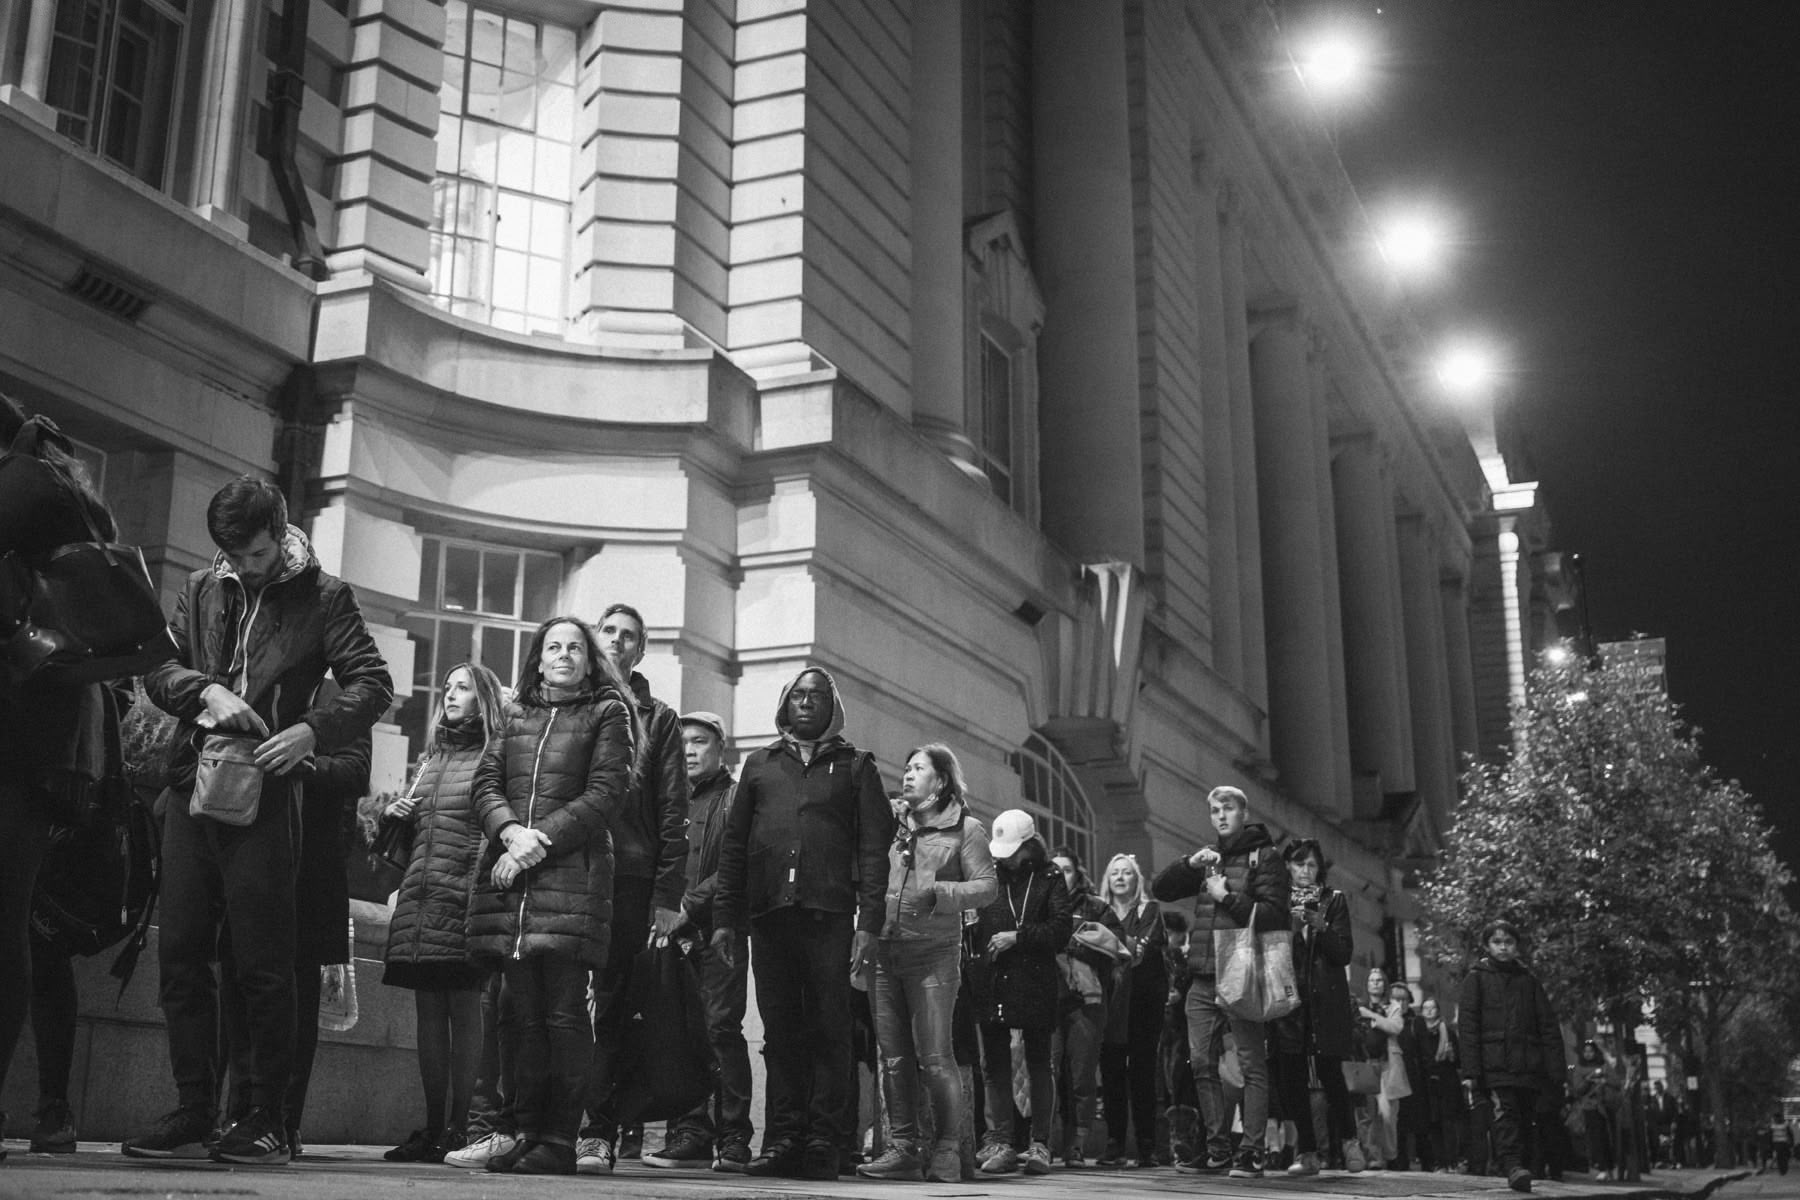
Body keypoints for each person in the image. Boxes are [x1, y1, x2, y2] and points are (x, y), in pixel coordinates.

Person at [127, 475, 393, 1165]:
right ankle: (193, 1108)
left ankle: (267, 1118)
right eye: (231, 555)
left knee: (263, 964)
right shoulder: (200, 586)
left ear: (281, 532)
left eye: (252, 554)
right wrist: (204, 688)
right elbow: (158, 669)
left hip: (269, 795)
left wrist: (310, 729)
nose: (240, 567)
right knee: (182, 951)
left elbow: (373, 684)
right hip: (194, 782)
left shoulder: (326, 597)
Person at [0, 396, 131, 1164]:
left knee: (13, 925)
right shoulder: (57, 492)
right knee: (16, 925)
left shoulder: (25, 489)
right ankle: (45, 1103)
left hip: (25, 739)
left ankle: (47, 1102)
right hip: (51, 749)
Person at [468, 616, 637, 1175]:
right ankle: (527, 1130)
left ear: (590, 660)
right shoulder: (514, 714)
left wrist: (534, 843)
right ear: (537, 658)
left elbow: (606, 794)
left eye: (574, 648)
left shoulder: (608, 712)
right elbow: (485, 784)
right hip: (514, 886)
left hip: (573, 879)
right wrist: (508, 832)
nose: (562, 655)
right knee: (521, 1016)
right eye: (552, 647)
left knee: (564, 1014)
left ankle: (560, 1138)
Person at [712, 667, 893, 1180]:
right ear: (784, 704)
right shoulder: (759, 765)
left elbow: (873, 850)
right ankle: (784, 1137)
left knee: (831, 1029)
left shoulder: (857, 767)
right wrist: (726, 917)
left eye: (817, 695)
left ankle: (823, 1141)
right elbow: (734, 847)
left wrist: (869, 924)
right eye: (798, 694)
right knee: (781, 1030)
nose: (807, 702)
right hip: (769, 915)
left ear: (831, 707)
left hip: (831, 916)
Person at [219, 726, 370, 1156]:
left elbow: (356, 771)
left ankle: (283, 1120)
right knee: (239, 983)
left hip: (310, 861)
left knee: (298, 991)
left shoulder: (341, 697)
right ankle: (239, 1111)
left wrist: (303, 761)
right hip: (250, 844)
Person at [577, 603, 689, 1174]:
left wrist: (668, 894)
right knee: (557, 1000)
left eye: (629, 637)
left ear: (640, 651)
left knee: (614, 1004)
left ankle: (598, 1128)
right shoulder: (573, 701)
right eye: (609, 633)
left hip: (631, 874)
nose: (617, 643)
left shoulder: (660, 718)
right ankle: (542, 1121)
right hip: (570, 868)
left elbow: (674, 810)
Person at [379, 663, 506, 1163]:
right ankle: (434, 1127)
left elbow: (495, 830)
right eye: (448, 687)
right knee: (428, 1014)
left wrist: (478, 896)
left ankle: (459, 1127)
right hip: (421, 898)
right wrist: (392, 817)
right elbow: (413, 839)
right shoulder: (431, 758)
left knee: (463, 1010)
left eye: (464, 688)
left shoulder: (493, 756)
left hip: (465, 900)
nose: (451, 695)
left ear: (484, 699)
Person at [857, 743, 997, 1182]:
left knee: (935, 1056)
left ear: (941, 780)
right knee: (894, 1058)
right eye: (907, 767)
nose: (908, 774)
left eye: (919, 768)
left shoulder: (966, 830)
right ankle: (902, 1146)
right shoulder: (891, 825)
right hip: (885, 951)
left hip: (934, 955)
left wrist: (939, 892)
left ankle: (948, 1149)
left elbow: (987, 887)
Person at [1151, 783, 1290, 1178]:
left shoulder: (1265, 857)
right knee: (1201, 1063)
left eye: (1227, 809)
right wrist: (1190, 864)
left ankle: (1252, 1150)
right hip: (1203, 974)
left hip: (1241, 969)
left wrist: (1226, 895)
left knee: (1250, 1065)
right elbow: (1160, 889)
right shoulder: (1209, 858)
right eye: (1214, 811)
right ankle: (1216, 1148)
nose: (1221, 816)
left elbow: (1276, 916)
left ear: (1243, 813)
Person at [643, 710, 754, 1173]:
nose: (688, 750)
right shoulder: (667, 801)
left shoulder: (734, 798)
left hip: (715, 932)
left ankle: (733, 1138)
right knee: (679, 1035)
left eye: (700, 741)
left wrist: (687, 905)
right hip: (670, 935)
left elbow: (736, 864)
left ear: (720, 748)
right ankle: (689, 1133)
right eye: (682, 742)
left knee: (721, 1031)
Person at [968, 810, 1072, 1176]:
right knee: (992, 1064)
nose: (1005, 856)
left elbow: (1061, 929)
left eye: (1012, 849)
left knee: (1039, 1061)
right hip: (992, 979)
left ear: (1030, 846)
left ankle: (1040, 1143)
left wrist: (1019, 937)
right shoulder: (989, 874)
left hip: (1036, 977)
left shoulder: (1049, 877)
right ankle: (999, 1140)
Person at [1457, 919, 1565, 1193]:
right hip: (1495, 1066)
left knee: (1526, 1118)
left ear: (1516, 946)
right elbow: (1468, 1028)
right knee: (1504, 1116)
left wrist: (1556, 1072)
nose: (1503, 948)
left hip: (1527, 1067)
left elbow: (1548, 1027)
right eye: (1497, 942)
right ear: (1487, 946)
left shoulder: (1528, 981)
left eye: (1508, 942)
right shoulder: (1477, 978)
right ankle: (1512, 1165)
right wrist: (1471, 1072)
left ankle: (1521, 1167)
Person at [1273, 837, 1356, 1177]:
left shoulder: (1333, 900)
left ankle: (1351, 1144)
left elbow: (1343, 953)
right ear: (1288, 868)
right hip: (1290, 999)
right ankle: (1307, 1151)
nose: (1305, 871)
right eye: (1298, 864)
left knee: (1330, 1071)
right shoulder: (1278, 903)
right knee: (1290, 1073)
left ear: (1319, 869)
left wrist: (1319, 927)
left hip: (1324, 1000)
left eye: (1310, 865)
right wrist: (1291, 927)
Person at [1096, 853, 1165, 1169]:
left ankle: (1147, 1144)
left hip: (1142, 1001)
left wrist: (1113, 947)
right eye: (1115, 873)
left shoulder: (1149, 909)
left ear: (1137, 880)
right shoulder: (1099, 912)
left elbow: (1143, 950)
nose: (1120, 877)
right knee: (1110, 1072)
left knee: (1142, 1072)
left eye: (1127, 873)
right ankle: (1114, 1142)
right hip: (1109, 1002)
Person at [1050, 848, 1111, 1167]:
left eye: (1068, 869)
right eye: (1055, 869)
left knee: (1081, 1076)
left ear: (1078, 873)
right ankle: (1045, 1141)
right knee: (1048, 1072)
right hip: (1049, 998)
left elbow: (1117, 950)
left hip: (1086, 1001)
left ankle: (1076, 1143)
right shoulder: (1041, 904)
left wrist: (1074, 944)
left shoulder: (1096, 907)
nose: (1061, 875)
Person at [1354, 966, 1399, 1168]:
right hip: (1365, 1064)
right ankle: (1372, 1157)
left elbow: (1395, 1027)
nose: (1375, 983)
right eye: (1372, 980)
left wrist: (1372, 1016)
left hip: (1387, 1065)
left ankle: (1389, 1155)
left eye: (1379, 980)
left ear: (1385, 984)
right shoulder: (1359, 1006)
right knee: (1366, 1114)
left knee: (1387, 1114)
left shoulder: (1393, 1006)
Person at [1389, 983, 1436, 1170]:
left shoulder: (1416, 1023)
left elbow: (1425, 1053)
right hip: (1394, 1076)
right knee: (1397, 1124)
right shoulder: (1389, 1021)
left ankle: (1427, 1164)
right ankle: (1399, 1163)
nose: (1400, 1003)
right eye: (1396, 999)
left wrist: (1429, 1077)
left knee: (1420, 1127)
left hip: (1415, 1080)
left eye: (1403, 999)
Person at [1420, 995, 1464, 1169]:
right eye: (1426, 1008)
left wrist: (1452, 1055)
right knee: (1434, 1124)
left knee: (1448, 1123)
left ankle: (1452, 1160)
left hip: (1447, 1084)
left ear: (1438, 1011)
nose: (1429, 1011)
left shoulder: (1448, 1032)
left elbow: (1458, 1061)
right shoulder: (1421, 1033)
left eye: (1432, 1008)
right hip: (1429, 1084)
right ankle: (1440, 1162)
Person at [1569, 1040, 1618, 1179]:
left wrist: (1604, 1081)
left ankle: (1609, 1167)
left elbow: (1616, 1083)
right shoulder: (1579, 1068)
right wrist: (1589, 1080)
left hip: (1605, 1107)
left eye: (1591, 1051)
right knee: (1595, 1138)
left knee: (1606, 1138)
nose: (1588, 1054)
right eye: (1585, 1051)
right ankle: (1601, 1167)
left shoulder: (1604, 1066)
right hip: (1589, 1108)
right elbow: (1577, 1090)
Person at [1768, 1109, 1794, 1175]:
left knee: (1784, 1157)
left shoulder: (1785, 1124)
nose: (1775, 1119)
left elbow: (1790, 1134)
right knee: (1780, 1157)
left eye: (1775, 1117)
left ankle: (1783, 1169)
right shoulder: (1773, 1125)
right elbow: (1770, 1135)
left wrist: (1791, 1142)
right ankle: (1782, 1170)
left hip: (1783, 1143)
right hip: (1778, 1143)